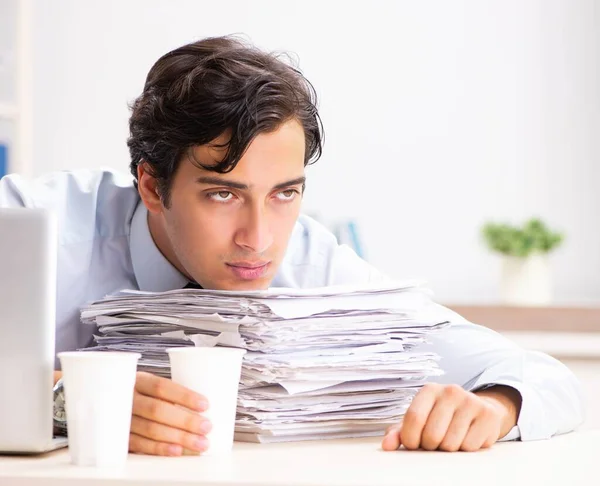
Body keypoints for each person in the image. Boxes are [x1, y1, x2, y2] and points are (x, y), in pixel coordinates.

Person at [0, 36, 583, 456]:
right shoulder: (27, 227)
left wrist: (499, 404)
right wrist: (59, 398)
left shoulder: (311, 260)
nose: (260, 238)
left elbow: (542, 376)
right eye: (223, 196)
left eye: (284, 193)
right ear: (152, 185)